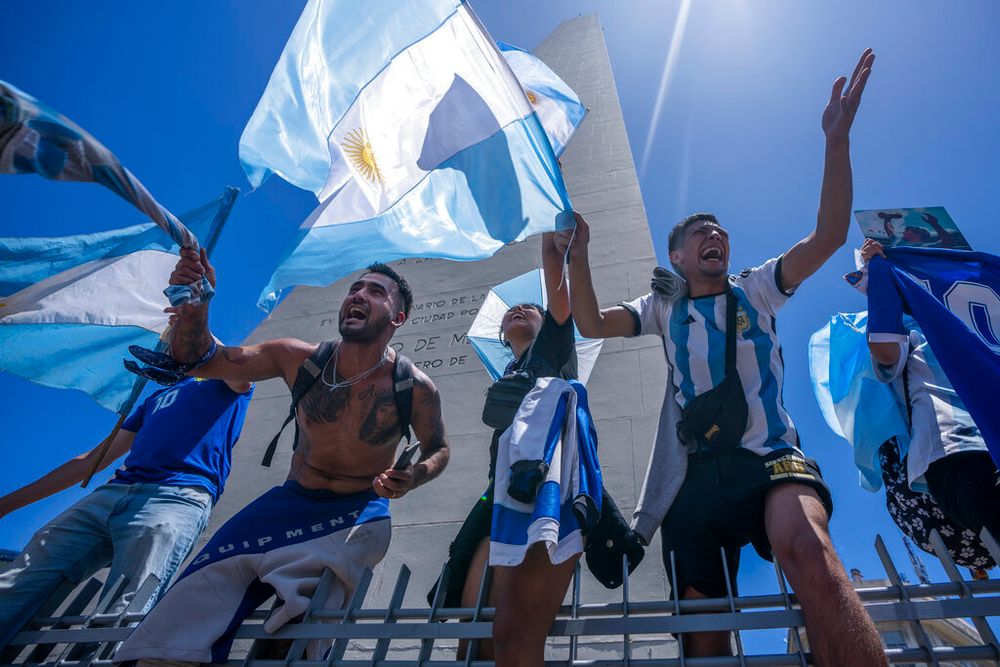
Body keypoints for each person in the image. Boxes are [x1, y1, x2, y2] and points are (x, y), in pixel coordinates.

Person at [558, 50, 887, 664]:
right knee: (703, 637)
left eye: (720, 229)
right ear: (677, 256)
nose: (716, 235)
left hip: (770, 461)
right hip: (694, 481)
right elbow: (590, 322)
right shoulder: (662, 310)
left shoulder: (758, 287)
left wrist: (836, 140)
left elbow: (829, 236)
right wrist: (580, 256)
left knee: (811, 557)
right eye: (699, 232)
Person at [114, 250, 450, 665]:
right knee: (190, 598)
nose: (357, 295)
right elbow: (205, 360)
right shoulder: (298, 358)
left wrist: (414, 475)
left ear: (397, 317)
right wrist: (195, 306)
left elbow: (439, 448)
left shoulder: (414, 386)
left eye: (375, 291)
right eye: (354, 288)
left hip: (358, 511)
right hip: (289, 500)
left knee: (301, 625)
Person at [0, 376, 253, 645]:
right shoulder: (155, 398)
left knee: (123, 610)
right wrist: (6, 505)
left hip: (175, 496)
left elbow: (237, 365)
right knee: (28, 567)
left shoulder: (228, 379)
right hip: (114, 492)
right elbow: (91, 460)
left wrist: (186, 335)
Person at [435, 231, 584, 666]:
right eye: (511, 313)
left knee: (514, 639)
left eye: (530, 309)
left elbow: (560, 298)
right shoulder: (509, 375)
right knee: (474, 637)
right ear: (501, 336)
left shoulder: (554, 352)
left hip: (544, 491)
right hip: (494, 493)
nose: (519, 310)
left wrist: (549, 245)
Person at [863, 238, 1000, 546]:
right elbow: (885, 354)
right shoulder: (909, 327)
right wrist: (879, 276)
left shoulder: (986, 313)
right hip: (960, 446)